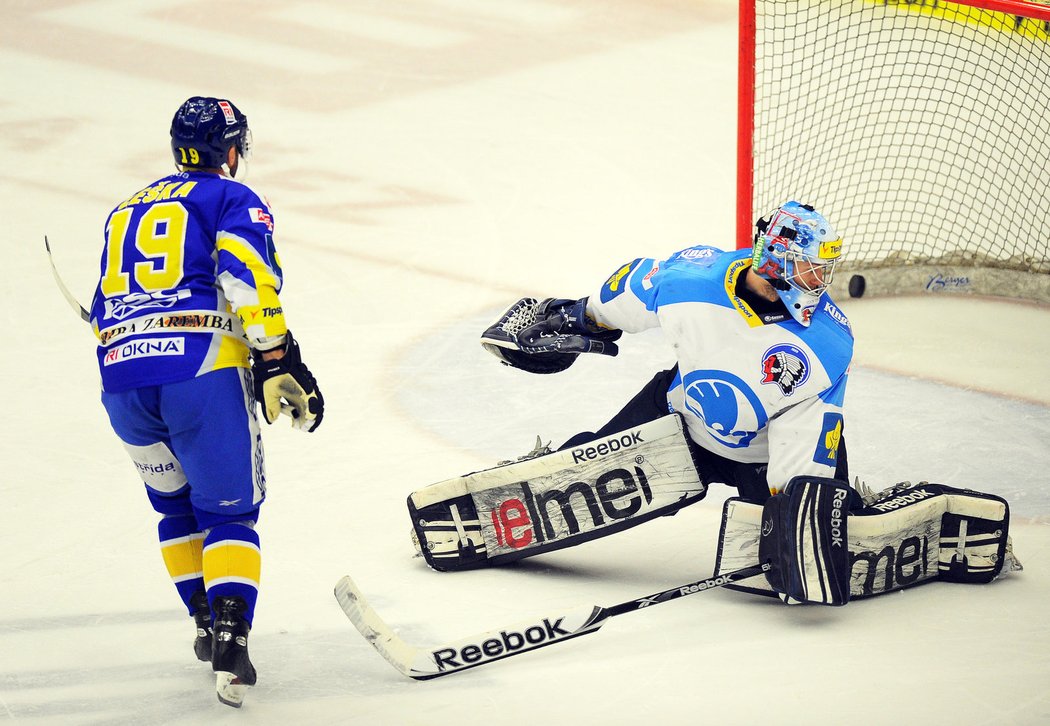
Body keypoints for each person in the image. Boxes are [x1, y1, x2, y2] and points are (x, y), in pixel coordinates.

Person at [88, 96, 324, 707]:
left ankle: (199, 618)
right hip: (199, 372)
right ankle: (229, 633)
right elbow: (245, 275)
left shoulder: (123, 210)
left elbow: (102, 305)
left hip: (121, 379)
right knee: (228, 515)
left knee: (175, 509)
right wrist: (277, 358)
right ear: (232, 149)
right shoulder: (231, 198)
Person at [485, 200, 852, 504]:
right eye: (811, 268)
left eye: (824, 270)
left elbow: (808, 435)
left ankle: (849, 509)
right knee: (568, 484)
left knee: (814, 530)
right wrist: (574, 317)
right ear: (776, 258)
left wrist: (799, 511)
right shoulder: (692, 280)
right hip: (679, 417)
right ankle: (530, 480)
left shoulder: (828, 341)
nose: (820, 280)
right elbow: (629, 289)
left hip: (764, 455)